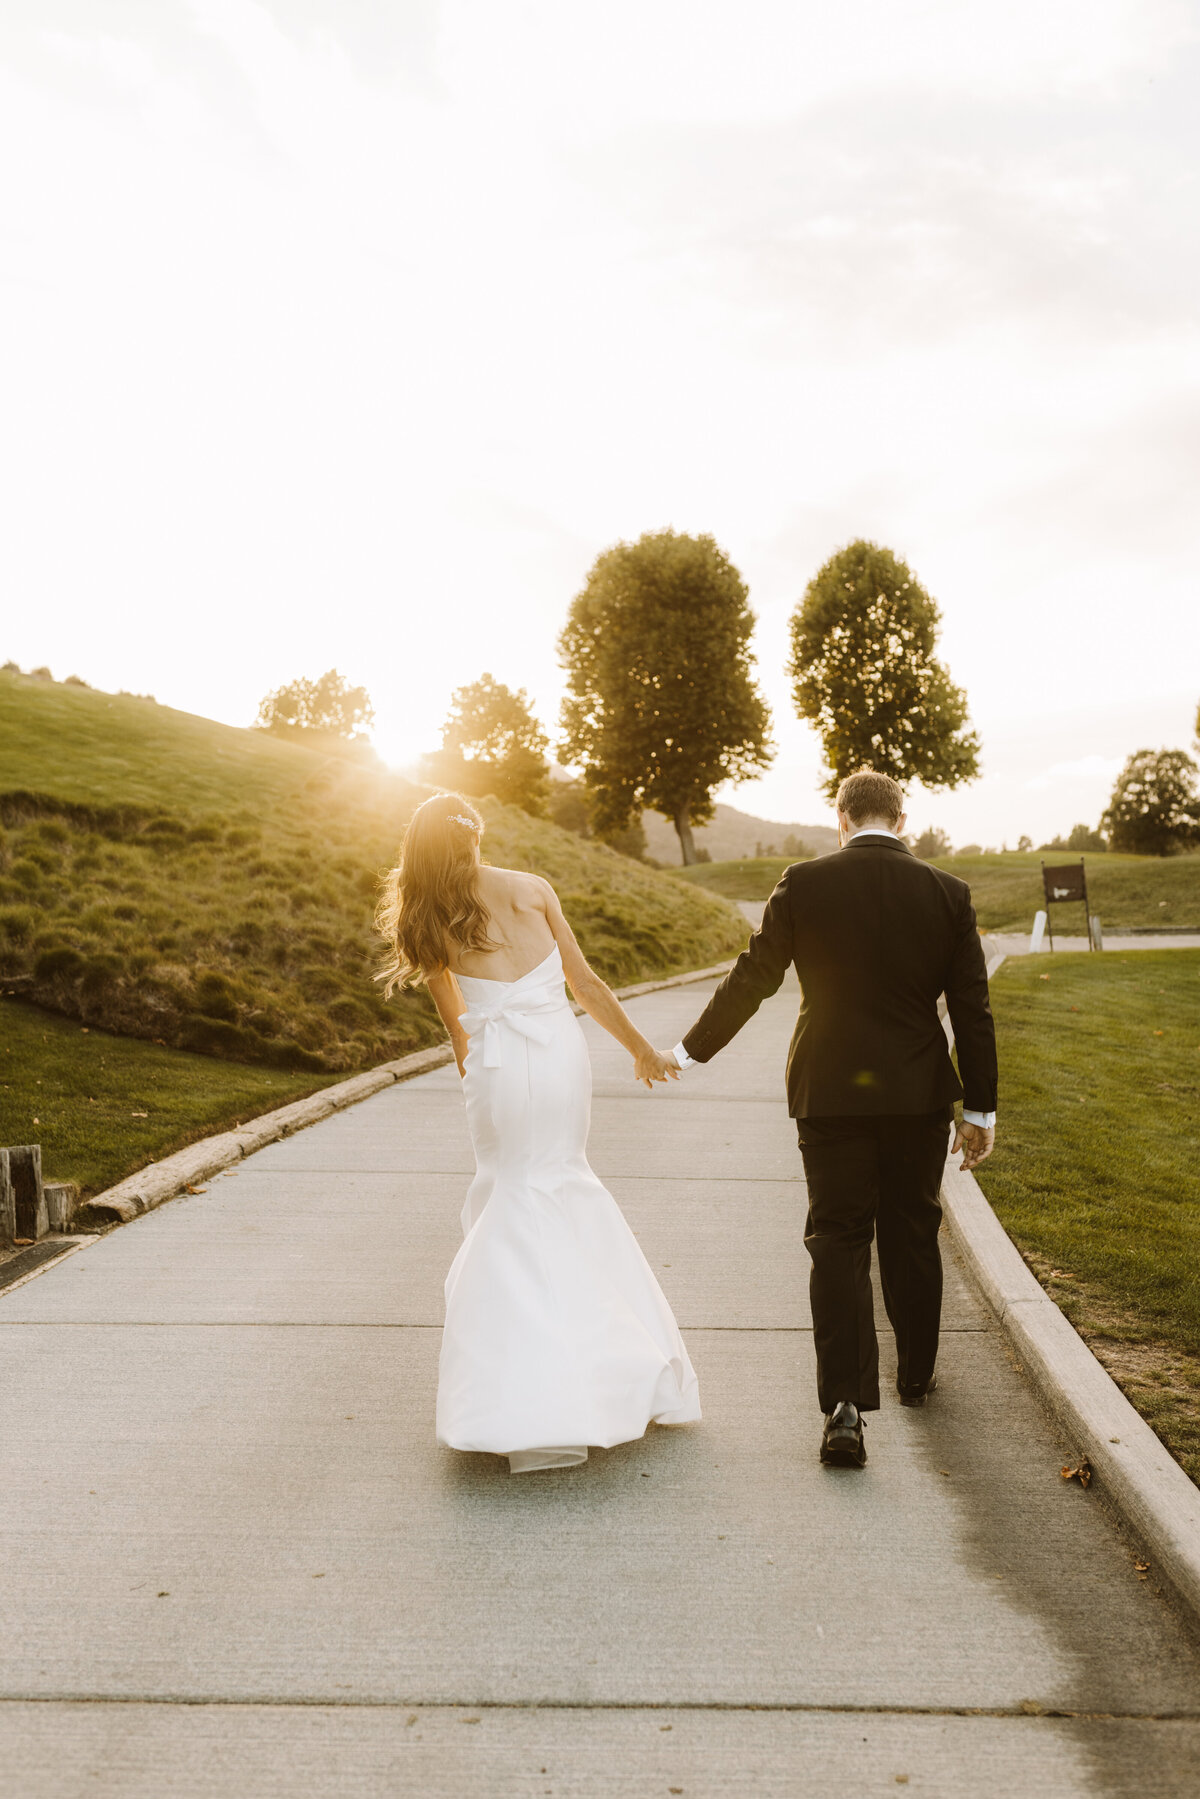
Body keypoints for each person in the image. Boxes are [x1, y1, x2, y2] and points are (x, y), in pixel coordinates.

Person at [665, 768, 997, 1469]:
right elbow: (973, 1009)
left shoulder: (803, 883)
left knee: (838, 1235)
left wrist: (691, 1050)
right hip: (915, 1093)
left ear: (841, 818)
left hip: (829, 1091)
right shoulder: (948, 894)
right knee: (912, 1224)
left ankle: (844, 1406)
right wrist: (980, 1107)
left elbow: (755, 974)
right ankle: (914, 1373)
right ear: (900, 819)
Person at [376, 793, 700, 1474]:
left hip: (500, 1064)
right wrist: (642, 1049)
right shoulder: (533, 889)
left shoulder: (430, 915)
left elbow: (458, 1028)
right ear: (477, 835)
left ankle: (530, 1397)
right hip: (560, 1055)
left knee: (510, 1199)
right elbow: (586, 983)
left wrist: (478, 1092)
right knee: (564, 1184)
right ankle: (615, 1367)